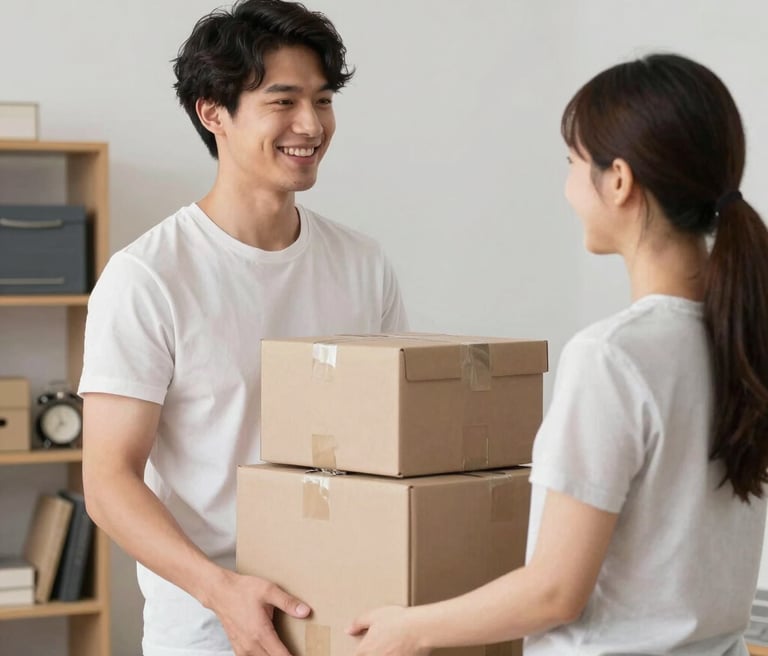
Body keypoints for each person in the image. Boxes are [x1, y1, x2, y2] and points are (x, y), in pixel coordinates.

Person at [348, 53, 768, 656]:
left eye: (573, 163)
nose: (569, 186)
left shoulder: (614, 357)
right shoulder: (744, 336)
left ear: (618, 180)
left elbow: (553, 593)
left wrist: (405, 629)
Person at [78, 1, 408, 655]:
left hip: (344, 610)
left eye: (323, 100)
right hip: (208, 623)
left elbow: (390, 446)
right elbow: (109, 480)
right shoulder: (148, 277)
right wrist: (220, 589)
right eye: (283, 101)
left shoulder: (363, 264)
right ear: (213, 112)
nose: (310, 125)